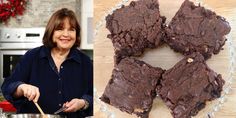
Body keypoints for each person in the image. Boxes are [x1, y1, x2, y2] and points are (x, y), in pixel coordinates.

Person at [1, 8, 93, 118]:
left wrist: (83, 103)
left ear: (76, 33)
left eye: (71, 29)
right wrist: (22, 87)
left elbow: (96, 96)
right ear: (51, 31)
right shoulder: (32, 57)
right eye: (60, 29)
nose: (66, 34)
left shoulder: (85, 62)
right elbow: (7, 86)